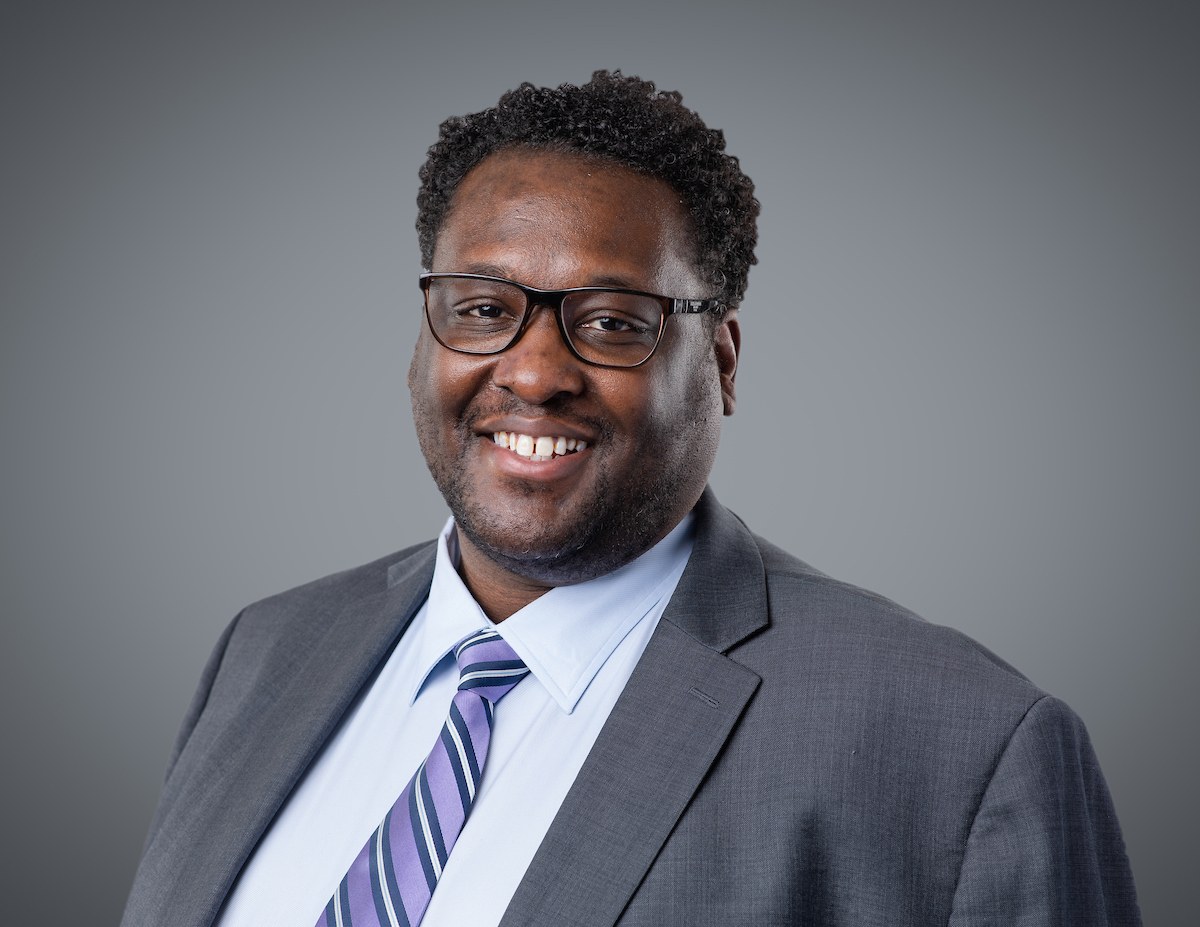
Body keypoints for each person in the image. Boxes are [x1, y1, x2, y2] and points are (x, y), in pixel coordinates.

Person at [121, 72, 1140, 927]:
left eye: (611, 322)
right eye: (483, 308)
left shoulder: (963, 747)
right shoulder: (266, 651)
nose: (533, 372)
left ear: (722, 361)